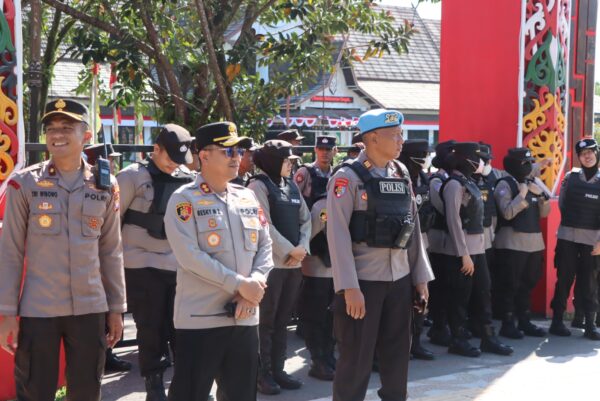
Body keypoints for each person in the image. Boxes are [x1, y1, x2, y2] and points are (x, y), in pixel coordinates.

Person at [0, 99, 126, 401]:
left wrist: (117, 308)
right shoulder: (24, 185)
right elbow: (11, 252)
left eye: (67, 127)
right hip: (38, 310)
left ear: (86, 135)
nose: (57, 134)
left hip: (90, 308)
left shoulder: (104, 186)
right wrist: (6, 313)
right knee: (35, 391)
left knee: (86, 391)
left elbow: (111, 250)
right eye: (51, 128)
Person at [327, 109, 434, 401]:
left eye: (401, 134)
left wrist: (420, 278)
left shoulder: (400, 173)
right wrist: (349, 287)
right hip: (363, 284)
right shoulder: (346, 178)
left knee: (398, 357)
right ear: (373, 138)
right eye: (395, 135)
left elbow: (412, 227)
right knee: (356, 361)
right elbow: (337, 235)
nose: (401, 141)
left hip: (399, 280)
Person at [164, 121, 273, 401]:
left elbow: (265, 244)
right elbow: (189, 256)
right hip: (201, 319)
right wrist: (240, 285)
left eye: (238, 150)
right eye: (227, 151)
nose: (236, 157)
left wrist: (255, 286)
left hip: (245, 317)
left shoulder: (247, 196)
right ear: (204, 156)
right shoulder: (183, 200)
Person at [117, 124, 196, 400]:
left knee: (182, 327)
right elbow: (112, 222)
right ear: (156, 149)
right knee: (150, 326)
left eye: (180, 158)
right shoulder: (131, 177)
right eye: (169, 156)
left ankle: (185, 385)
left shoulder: (188, 179)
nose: (174, 163)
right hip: (142, 263)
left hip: (179, 265)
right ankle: (154, 383)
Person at [247, 140, 311, 395]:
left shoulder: (290, 185)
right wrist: (289, 250)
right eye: (287, 160)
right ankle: (262, 375)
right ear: (273, 161)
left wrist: (302, 247)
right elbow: (264, 224)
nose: (291, 164)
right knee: (266, 321)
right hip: (271, 267)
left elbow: (306, 219)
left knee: (283, 320)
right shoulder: (257, 186)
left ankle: (278, 369)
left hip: (293, 266)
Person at [440, 142, 512, 357]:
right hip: (463, 252)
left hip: (478, 249)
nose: (480, 163)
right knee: (461, 297)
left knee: (483, 292)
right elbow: (454, 221)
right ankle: (458, 339)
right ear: (465, 159)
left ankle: (488, 337)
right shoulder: (454, 184)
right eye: (476, 158)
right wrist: (464, 255)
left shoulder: (468, 181)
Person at [494, 148, 550, 339]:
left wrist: (541, 196)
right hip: (512, 242)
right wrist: (523, 196)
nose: (528, 167)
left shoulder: (532, 182)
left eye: (530, 163)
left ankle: (524, 320)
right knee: (510, 285)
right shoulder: (505, 184)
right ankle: (507, 323)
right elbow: (507, 213)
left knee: (528, 283)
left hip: (534, 242)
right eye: (524, 164)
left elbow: (544, 213)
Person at [294, 135, 337, 380]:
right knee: (316, 309)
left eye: (329, 149)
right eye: (321, 148)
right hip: (314, 247)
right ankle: (317, 358)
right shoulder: (306, 173)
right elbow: (296, 207)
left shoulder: (338, 175)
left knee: (331, 310)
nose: (324, 152)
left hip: (333, 249)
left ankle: (328, 354)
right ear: (315, 150)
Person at [549, 138, 600, 340]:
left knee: (589, 283)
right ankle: (557, 321)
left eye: (591, 152)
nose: (587, 156)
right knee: (564, 279)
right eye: (583, 153)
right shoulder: (570, 178)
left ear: (596, 153)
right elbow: (562, 204)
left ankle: (590, 325)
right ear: (578, 157)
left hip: (592, 241)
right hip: (567, 237)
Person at [398, 139, 435, 360]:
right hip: (402, 244)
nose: (424, 158)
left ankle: (417, 341)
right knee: (401, 297)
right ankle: (402, 343)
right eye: (420, 154)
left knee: (421, 294)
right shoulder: (399, 176)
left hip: (423, 241)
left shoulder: (423, 177)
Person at [425, 140, 456, 347]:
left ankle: (445, 324)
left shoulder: (454, 179)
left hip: (450, 240)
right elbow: (443, 208)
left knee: (450, 287)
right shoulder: (437, 180)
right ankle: (437, 327)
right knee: (440, 287)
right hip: (439, 240)